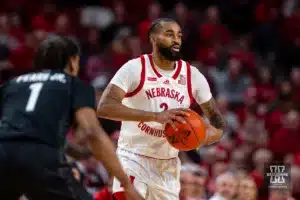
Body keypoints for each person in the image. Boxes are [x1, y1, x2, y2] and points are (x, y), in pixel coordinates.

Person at [0, 36, 144, 200]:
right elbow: (91, 131)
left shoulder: (12, 84)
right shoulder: (74, 84)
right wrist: (125, 183)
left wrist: (79, 153)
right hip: (41, 159)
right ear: (73, 61)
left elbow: (25, 134)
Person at [97, 18, 226, 200]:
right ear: (153, 39)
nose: (176, 40)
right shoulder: (134, 68)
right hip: (132, 157)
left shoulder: (192, 76)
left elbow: (217, 122)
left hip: (167, 166)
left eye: (179, 36)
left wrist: (202, 136)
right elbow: (104, 107)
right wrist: (155, 116)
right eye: (169, 34)